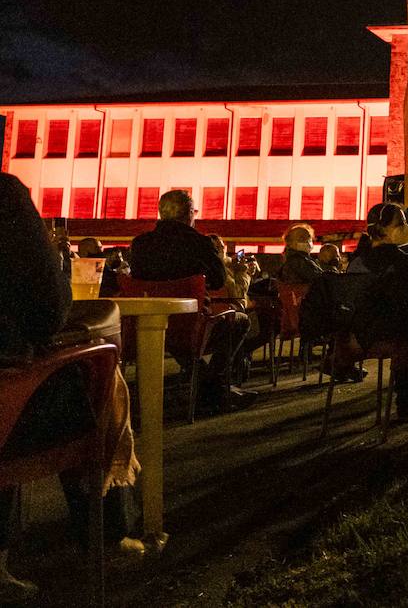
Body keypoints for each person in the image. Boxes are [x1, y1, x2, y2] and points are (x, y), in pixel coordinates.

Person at [0, 174, 142, 600]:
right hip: (8, 411)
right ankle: (108, 531)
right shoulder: (4, 199)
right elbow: (48, 308)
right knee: (86, 376)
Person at [128, 190, 253, 412]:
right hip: (191, 324)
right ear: (189, 215)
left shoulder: (140, 244)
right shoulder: (200, 243)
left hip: (149, 324)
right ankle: (214, 386)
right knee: (241, 321)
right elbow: (218, 281)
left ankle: (209, 386)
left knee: (177, 335)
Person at [346, 203, 408, 421]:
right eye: (401, 223)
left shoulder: (356, 263)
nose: (407, 227)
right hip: (401, 337)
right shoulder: (404, 262)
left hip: (363, 337)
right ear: (382, 229)